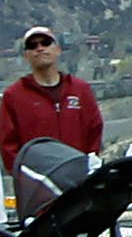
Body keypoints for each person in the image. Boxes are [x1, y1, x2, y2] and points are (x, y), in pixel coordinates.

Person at [1, 26, 104, 175]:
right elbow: (8, 147)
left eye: (45, 42)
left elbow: (94, 131)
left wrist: (87, 167)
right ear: (26, 55)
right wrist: (26, 179)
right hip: (38, 190)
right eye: (32, 45)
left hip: (78, 184)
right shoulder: (14, 96)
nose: (40, 48)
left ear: (58, 50)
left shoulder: (81, 90)